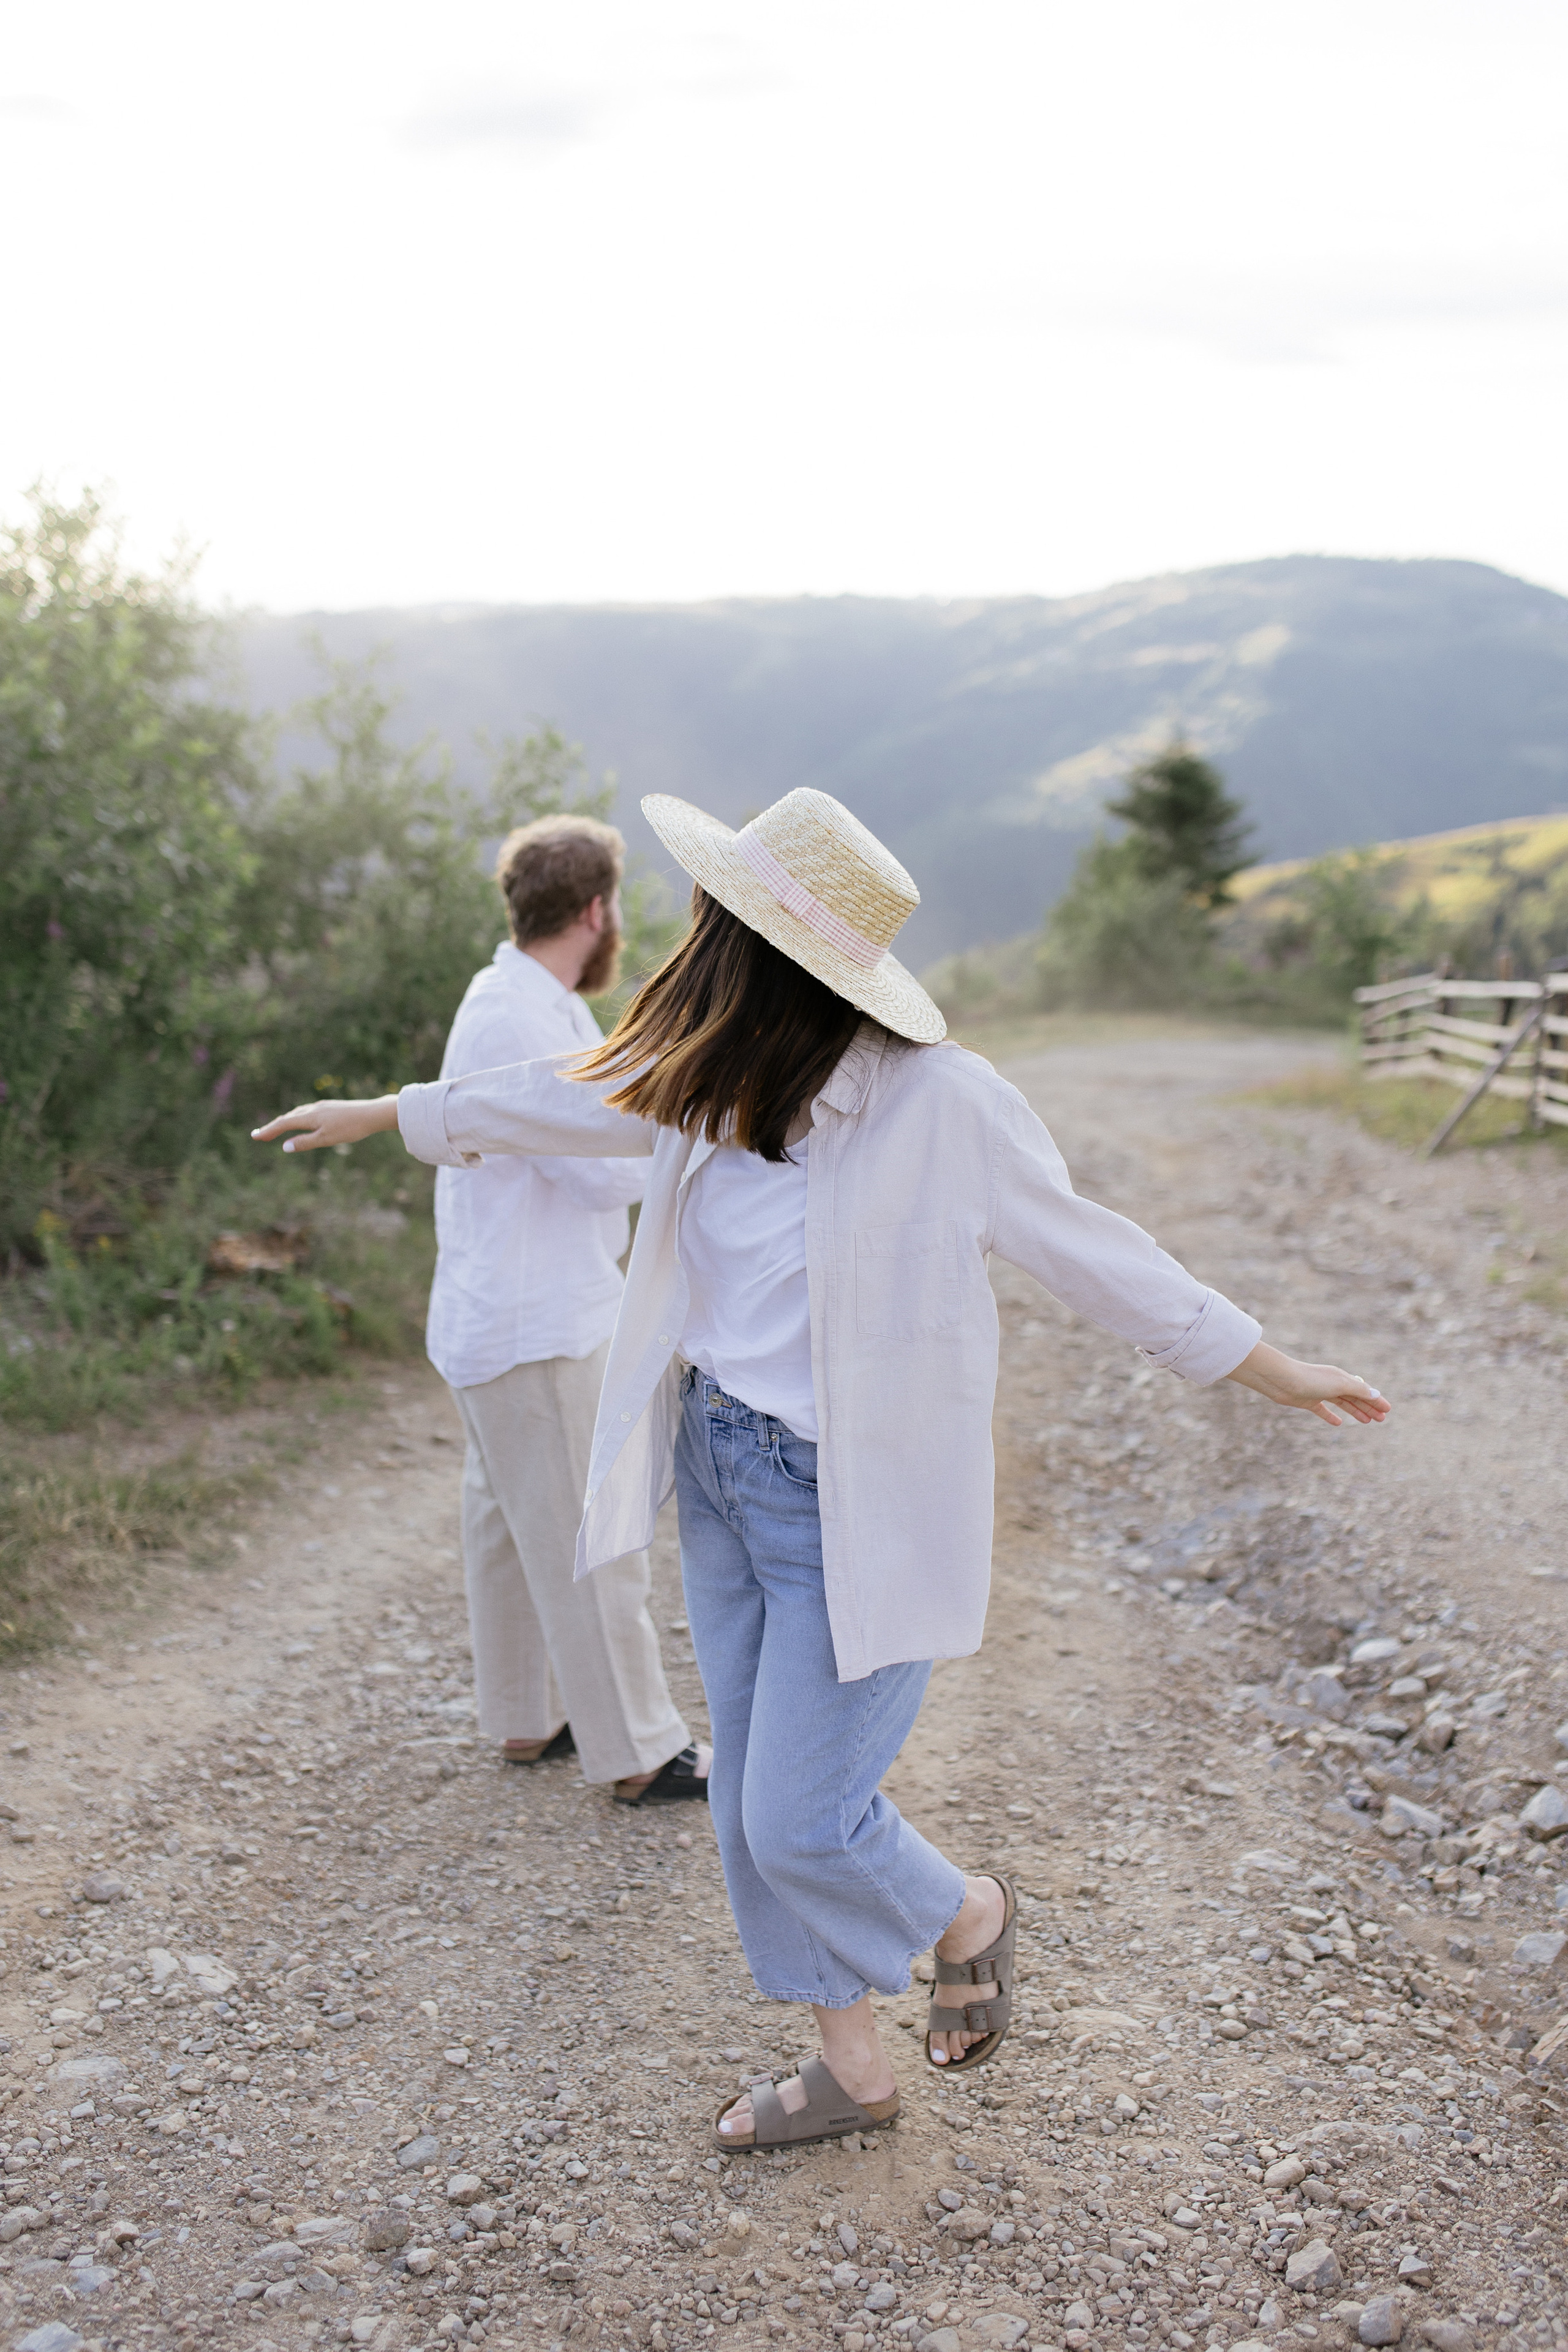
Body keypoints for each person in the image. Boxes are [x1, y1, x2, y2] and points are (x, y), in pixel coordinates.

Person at [254, 786, 1389, 2152]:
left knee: (801, 1816)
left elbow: (1096, 1250)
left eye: (709, 916)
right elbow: (555, 1101)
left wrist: (1264, 1362)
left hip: (845, 1506)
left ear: (751, 947)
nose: (684, 936)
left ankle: (969, 1912)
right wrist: (391, 1112)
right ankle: (849, 2067)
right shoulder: (700, 1078)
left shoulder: (941, 1102)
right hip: (722, 1473)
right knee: (744, 1805)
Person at [424, 812, 707, 1806]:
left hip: (492, 1313)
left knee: (506, 1521)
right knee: (591, 1535)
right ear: (597, 910)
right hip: (535, 1322)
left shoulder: (512, 996)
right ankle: (635, 1748)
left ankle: (525, 1714)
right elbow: (597, 1176)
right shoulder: (526, 1016)